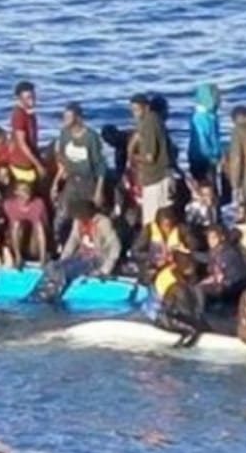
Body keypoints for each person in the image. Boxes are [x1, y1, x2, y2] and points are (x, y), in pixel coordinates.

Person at [55, 102, 107, 214]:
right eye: (64, 117)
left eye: (68, 117)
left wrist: (99, 190)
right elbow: (62, 159)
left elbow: (100, 165)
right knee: (62, 214)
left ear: (77, 118)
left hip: (88, 181)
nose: (65, 119)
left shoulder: (91, 137)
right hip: (72, 180)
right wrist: (55, 183)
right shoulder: (64, 134)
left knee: (90, 213)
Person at [128, 94, 173, 226]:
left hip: (156, 177)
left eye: (137, 110)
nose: (135, 114)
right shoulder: (152, 121)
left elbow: (150, 157)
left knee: (152, 219)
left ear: (146, 107)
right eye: (133, 110)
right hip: (159, 176)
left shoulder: (149, 123)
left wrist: (134, 157)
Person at [153, 252, 206, 347]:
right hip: (170, 317)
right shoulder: (171, 283)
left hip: (183, 317)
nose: (192, 268)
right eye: (189, 265)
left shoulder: (194, 286)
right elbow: (165, 312)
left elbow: (198, 310)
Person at [59, 200, 123, 278]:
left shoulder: (103, 223)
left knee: (71, 270)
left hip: (97, 259)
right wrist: (64, 258)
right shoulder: (78, 222)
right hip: (81, 257)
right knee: (56, 267)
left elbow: (115, 246)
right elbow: (72, 240)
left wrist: (105, 269)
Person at [197, 226, 246, 309]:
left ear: (222, 237)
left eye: (213, 238)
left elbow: (225, 278)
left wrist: (210, 284)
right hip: (227, 282)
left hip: (235, 286)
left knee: (200, 290)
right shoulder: (215, 251)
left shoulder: (227, 253)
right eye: (209, 238)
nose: (210, 241)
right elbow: (206, 258)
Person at [3, 182, 49, 266]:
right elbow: (11, 229)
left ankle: (42, 257)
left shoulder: (38, 203)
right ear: (16, 192)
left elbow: (42, 229)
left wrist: (43, 257)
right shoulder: (9, 205)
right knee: (17, 225)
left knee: (38, 226)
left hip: (34, 244)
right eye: (23, 190)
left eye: (28, 190)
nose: (27, 192)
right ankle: (18, 256)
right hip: (18, 242)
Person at [8, 80, 45, 183]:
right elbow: (22, 144)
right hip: (23, 163)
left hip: (29, 158)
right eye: (28, 97)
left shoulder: (29, 114)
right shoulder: (19, 115)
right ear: (19, 98)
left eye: (33, 96)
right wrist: (38, 165)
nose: (32, 100)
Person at [187, 84, 222, 182]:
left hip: (208, 158)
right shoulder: (201, 118)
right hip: (203, 160)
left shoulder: (210, 115)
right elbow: (203, 141)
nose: (219, 100)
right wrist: (213, 158)